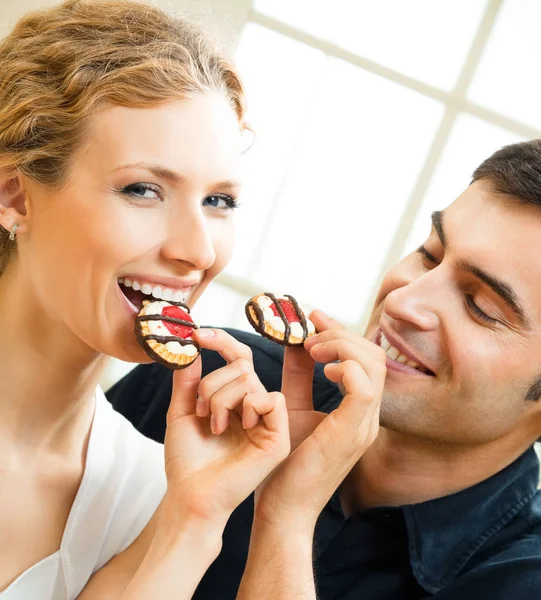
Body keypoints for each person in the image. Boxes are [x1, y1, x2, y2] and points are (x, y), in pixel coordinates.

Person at [109, 140, 541, 599]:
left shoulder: (518, 582)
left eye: (481, 307)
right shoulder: (201, 383)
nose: (402, 300)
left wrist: (285, 517)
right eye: (429, 254)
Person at [0, 0, 315, 597]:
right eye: (143, 189)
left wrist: (195, 522)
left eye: (219, 201)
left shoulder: (147, 491)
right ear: (16, 197)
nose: (198, 250)